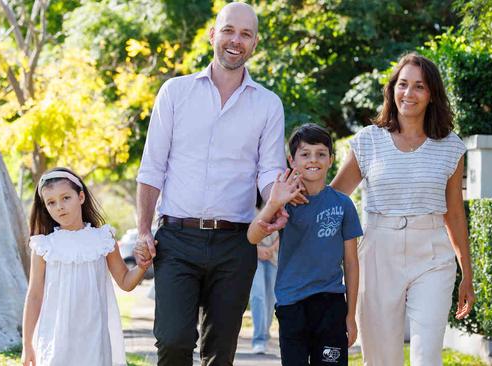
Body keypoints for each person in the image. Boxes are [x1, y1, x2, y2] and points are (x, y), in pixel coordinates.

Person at [133, 3, 293, 365]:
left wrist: (275, 200)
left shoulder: (268, 105)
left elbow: (268, 172)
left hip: (235, 243)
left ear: (254, 43)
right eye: (229, 30)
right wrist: (144, 230)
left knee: (220, 353)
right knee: (173, 341)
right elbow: (151, 168)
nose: (236, 40)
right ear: (213, 35)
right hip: (176, 238)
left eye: (246, 34)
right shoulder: (175, 92)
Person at [330, 52, 475, 366]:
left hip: (433, 254)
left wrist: (467, 272)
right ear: (392, 89)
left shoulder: (451, 146)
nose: (409, 93)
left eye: (419, 87)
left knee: (427, 357)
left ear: (432, 94)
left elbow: (454, 213)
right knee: (381, 358)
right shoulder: (368, 141)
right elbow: (335, 198)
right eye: (403, 84)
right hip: (379, 251)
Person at [248, 124, 362, 366]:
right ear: (292, 160)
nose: (314, 160)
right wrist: (273, 204)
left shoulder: (343, 205)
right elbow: (252, 237)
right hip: (292, 305)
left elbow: (351, 262)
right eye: (305, 154)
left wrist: (350, 316)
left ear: (331, 160)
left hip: (331, 305)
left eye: (321, 154)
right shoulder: (284, 203)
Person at [21, 167, 151, 366]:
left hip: (93, 337)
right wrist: (27, 344)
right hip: (56, 338)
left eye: (66, 198)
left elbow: (125, 282)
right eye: (51, 202)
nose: (59, 207)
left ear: (81, 197)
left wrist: (141, 267)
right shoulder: (44, 246)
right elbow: (34, 295)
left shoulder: (102, 239)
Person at [249, 193, 279, 355]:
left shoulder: (279, 200)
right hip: (255, 256)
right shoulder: (249, 202)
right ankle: (259, 339)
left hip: (274, 256)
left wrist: (271, 249)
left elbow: (285, 228)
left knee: (271, 299)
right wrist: (258, 250)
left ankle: (265, 335)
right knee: (258, 296)